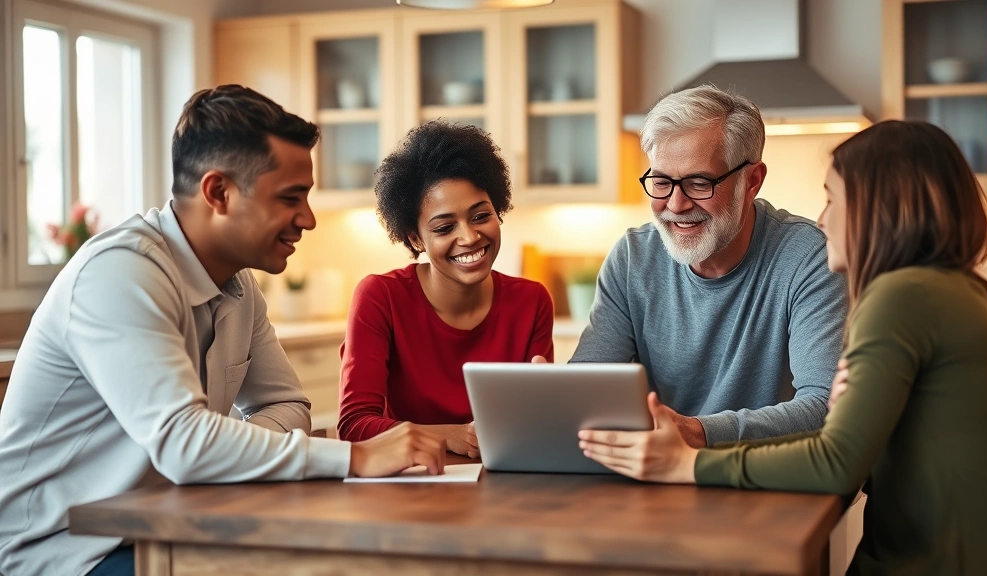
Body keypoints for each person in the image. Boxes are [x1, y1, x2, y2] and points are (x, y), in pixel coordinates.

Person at [0, 85, 445, 576]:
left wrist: (221, 453)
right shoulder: (120, 273)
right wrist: (353, 457)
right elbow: (184, 444)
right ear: (218, 193)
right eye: (290, 198)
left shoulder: (238, 284)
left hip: (170, 526)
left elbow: (288, 407)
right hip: (66, 552)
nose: (308, 219)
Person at [578, 120, 987, 574]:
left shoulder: (902, 297)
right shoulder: (958, 294)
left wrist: (687, 464)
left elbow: (837, 462)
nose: (824, 217)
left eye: (833, 198)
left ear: (884, 209)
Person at [569, 85, 848, 447]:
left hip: (766, 479)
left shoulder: (810, 256)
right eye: (661, 182)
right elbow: (590, 385)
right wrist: (563, 397)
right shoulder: (632, 258)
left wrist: (698, 432)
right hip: (659, 474)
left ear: (752, 181)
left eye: (699, 183)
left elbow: (824, 406)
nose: (676, 204)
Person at [337, 121, 554, 455]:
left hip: (503, 486)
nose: (469, 237)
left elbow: (537, 424)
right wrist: (451, 436)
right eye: (444, 227)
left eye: (481, 216)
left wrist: (547, 404)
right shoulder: (380, 297)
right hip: (408, 485)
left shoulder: (532, 301)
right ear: (415, 238)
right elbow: (355, 426)